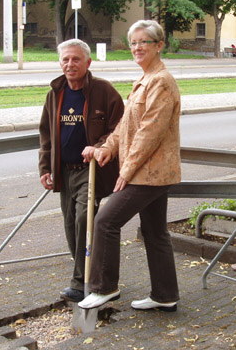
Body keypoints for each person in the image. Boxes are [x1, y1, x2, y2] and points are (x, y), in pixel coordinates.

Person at [78, 20, 181, 312]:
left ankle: (104, 287)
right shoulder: (146, 78)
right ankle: (165, 294)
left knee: (105, 221)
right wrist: (107, 148)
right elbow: (127, 125)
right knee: (155, 232)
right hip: (152, 172)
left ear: (159, 45)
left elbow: (150, 132)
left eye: (143, 42)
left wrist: (126, 171)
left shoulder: (160, 81)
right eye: (133, 42)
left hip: (149, 172)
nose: (136, 47)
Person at [38, 39, 124, 303]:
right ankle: (88, 275)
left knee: (84, 221)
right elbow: (46, 135)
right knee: (70, 225)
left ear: (88, 62)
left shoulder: (103, 91)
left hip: (92, 170)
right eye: (65, 59)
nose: (70, 64)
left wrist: (97, 147)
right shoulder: (55, 94)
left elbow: (120, 128)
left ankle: (83, 282)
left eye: (76, 59)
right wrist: (45, 167)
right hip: (65, 171)